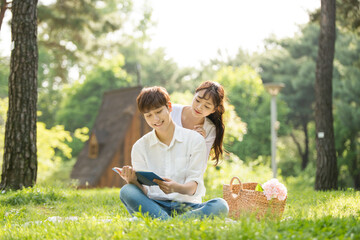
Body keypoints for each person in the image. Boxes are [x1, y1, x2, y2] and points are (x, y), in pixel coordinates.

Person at [119, 86, 229, 220]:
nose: (156, 119)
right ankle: (173, 223)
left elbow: (194, 187)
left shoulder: (195, 139)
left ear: (169, 107)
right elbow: (144, 192)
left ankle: (161, 222)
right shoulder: (140, 147)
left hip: (187, 206)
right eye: (149, 115)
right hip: (155, 205)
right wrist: (132, 181)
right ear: (144, 117)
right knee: (127, 190)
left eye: (159, 111)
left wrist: (176, 188)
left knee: (220, 205)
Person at [171, 81, 225, 165]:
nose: (199, 107)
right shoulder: (171, 111)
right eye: (197, 100)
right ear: (194, 95)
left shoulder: (210, 129)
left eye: (206, 106)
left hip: (182, 176)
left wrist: (199, 144)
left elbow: (199, 166)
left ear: (213, 110)